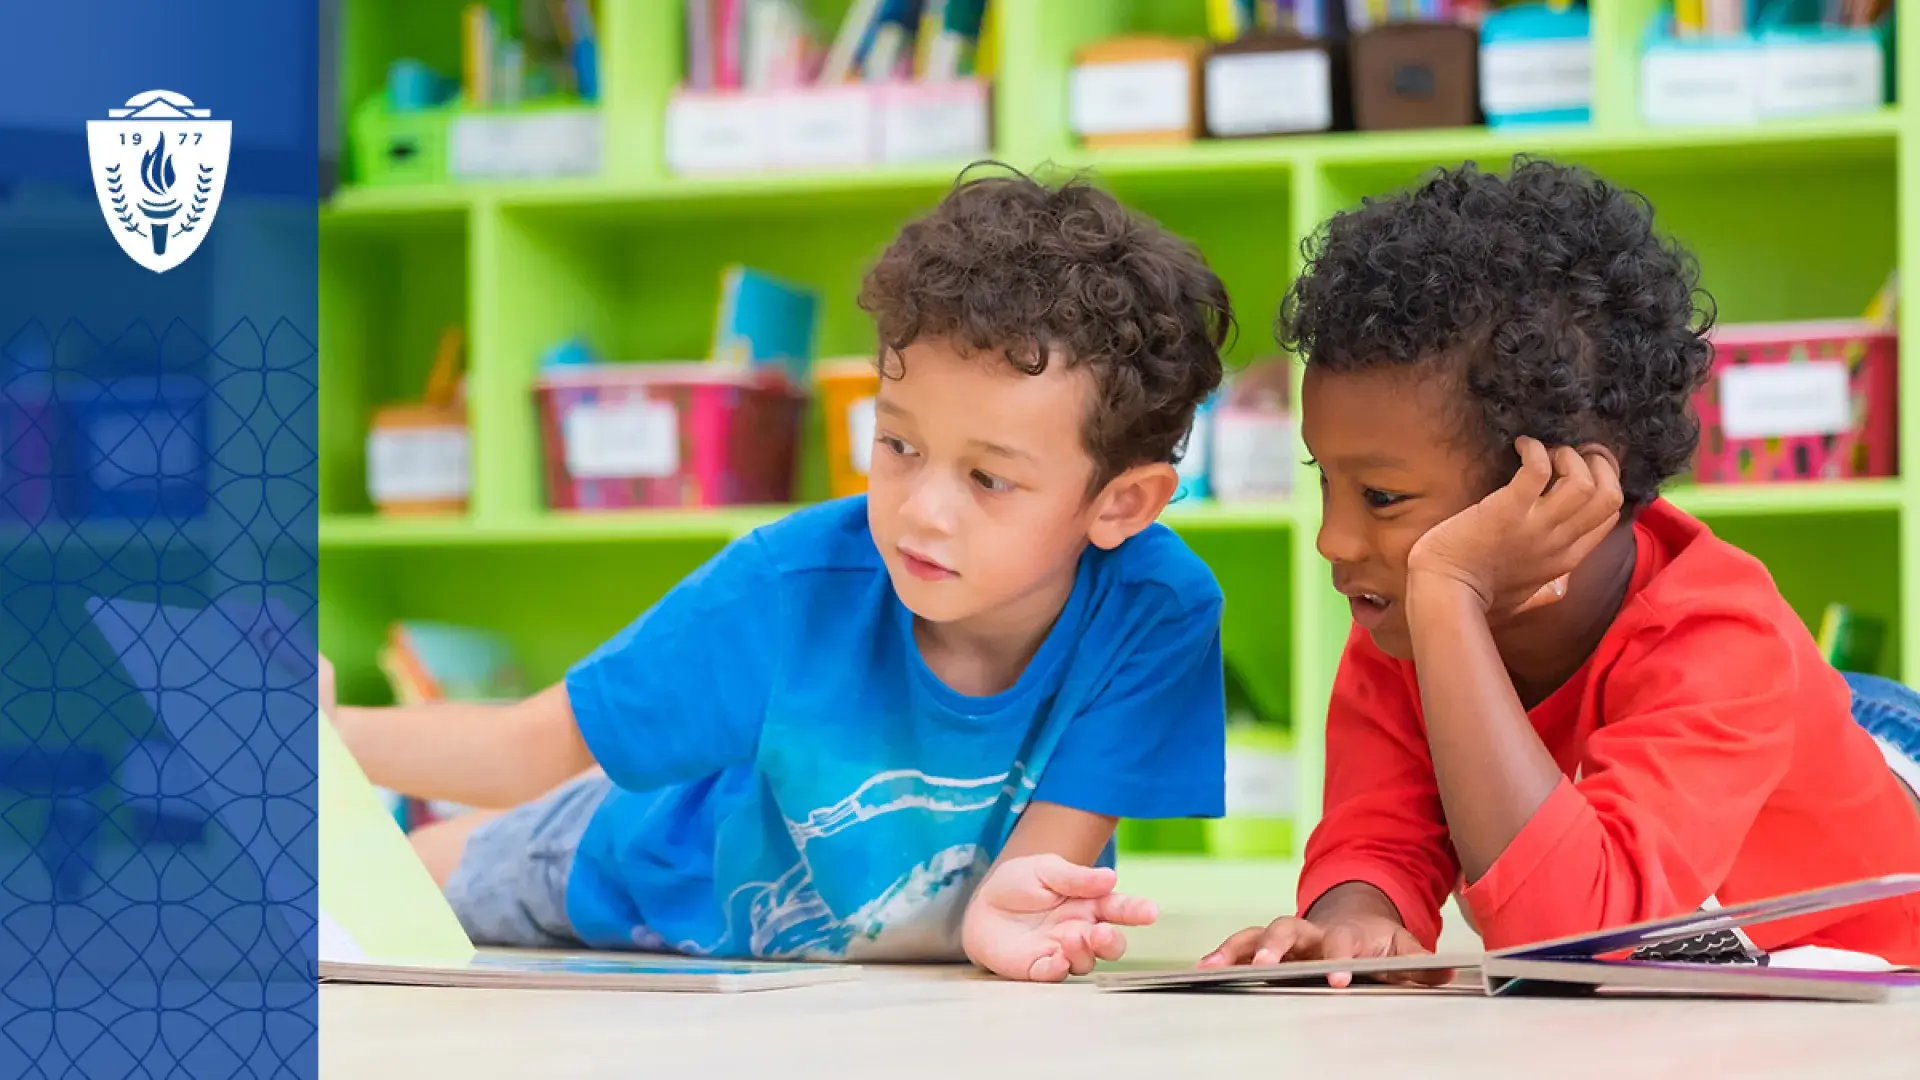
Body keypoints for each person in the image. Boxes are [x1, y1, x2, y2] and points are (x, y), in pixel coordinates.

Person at [323, 163, 1235, 983]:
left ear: (1122, 504)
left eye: (988, 477)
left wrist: (1012, 915)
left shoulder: (1157, 611)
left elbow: (1026, 878)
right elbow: (534, 747)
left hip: (813, 949)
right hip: (621, 867)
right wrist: (315, 729)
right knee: (367, 894)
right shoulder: (787, 583)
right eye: (898, 443)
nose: (921, 507)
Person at [1203, 158, 1920, 980]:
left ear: (1562, 489)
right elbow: (1381, 834)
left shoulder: (1719, 637)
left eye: (1382, 495)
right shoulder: (1406, 623)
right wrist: (1354, 918)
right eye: (1322, 481)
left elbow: (1575, 944)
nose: (1333, 538)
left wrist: (1448, 597)